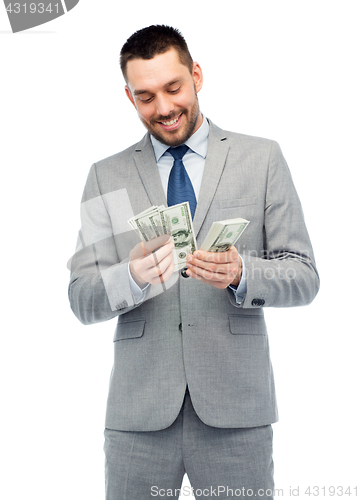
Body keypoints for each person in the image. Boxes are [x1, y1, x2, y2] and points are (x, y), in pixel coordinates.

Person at [68, 25, 319, 500]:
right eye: (145, 96)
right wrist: (131, 278)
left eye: (173, 88)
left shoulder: (261, 159)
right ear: (129, 98)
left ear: (197, 75)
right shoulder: (106, 175)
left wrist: (244, 274)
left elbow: (304, 275)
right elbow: (81, 298)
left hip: (236, 412)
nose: (163, 108)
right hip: (138, 415)